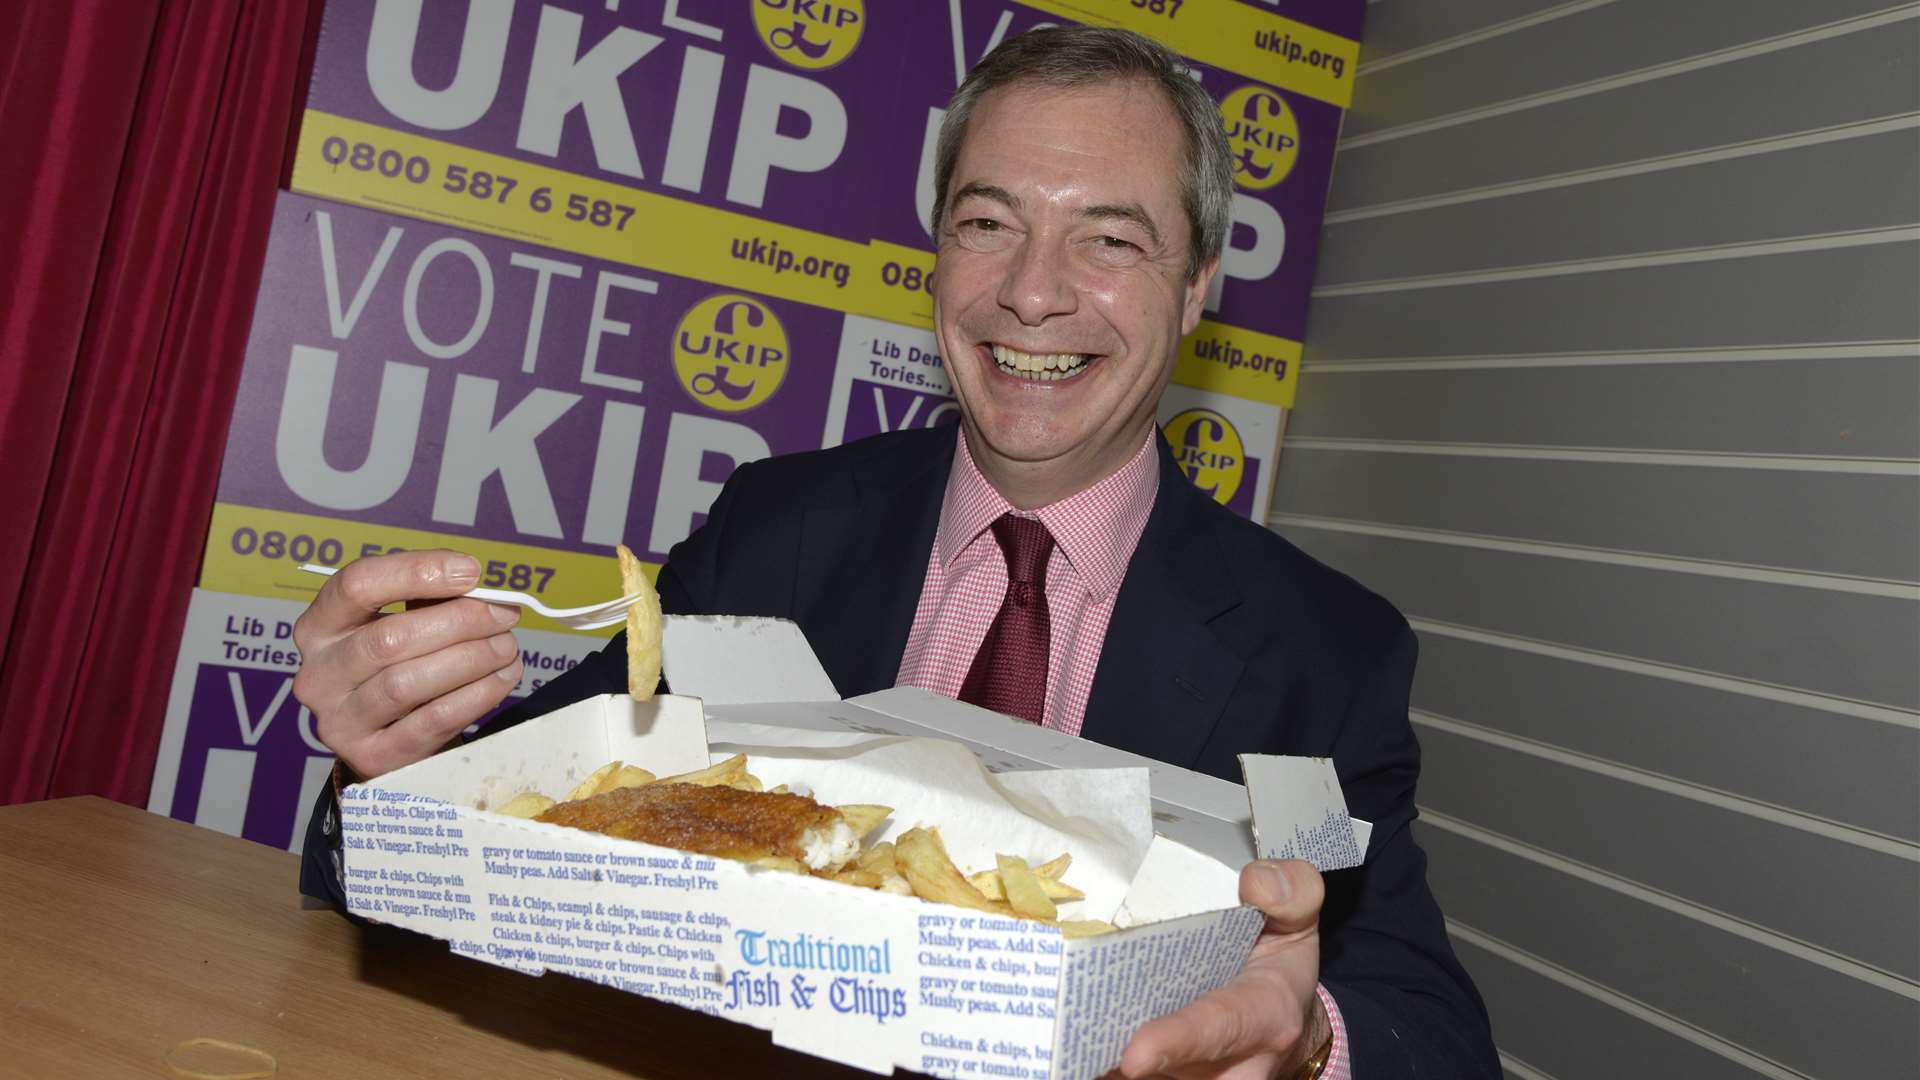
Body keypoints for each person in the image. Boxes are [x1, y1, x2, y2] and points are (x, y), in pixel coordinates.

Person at [293, 26, 1498, 1080]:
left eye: (1110, 242)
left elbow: (1434, 1038)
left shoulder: (1324, 653)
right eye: (989, 223)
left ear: (1196, 288)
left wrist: (1304, 1043)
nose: (1032, 294)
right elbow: (441, 851)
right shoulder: (774, 533)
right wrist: (386, 768)